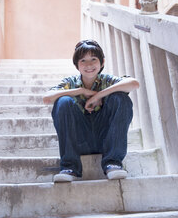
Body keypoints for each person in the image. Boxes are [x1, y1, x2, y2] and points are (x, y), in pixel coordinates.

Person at [43, 40, 139, 182]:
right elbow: (47, 98)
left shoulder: (107, 80)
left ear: (102, 62)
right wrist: (81, 91)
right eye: (83, 60)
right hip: (80, 140)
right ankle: (69, 167)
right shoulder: (70, 82)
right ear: (77, 65)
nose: (89, 65)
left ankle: (113, 163)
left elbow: (134, 83)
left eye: (93, 59)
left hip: (106, 139)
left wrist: (98, 95)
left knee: (121, 97)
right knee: (62, 101)